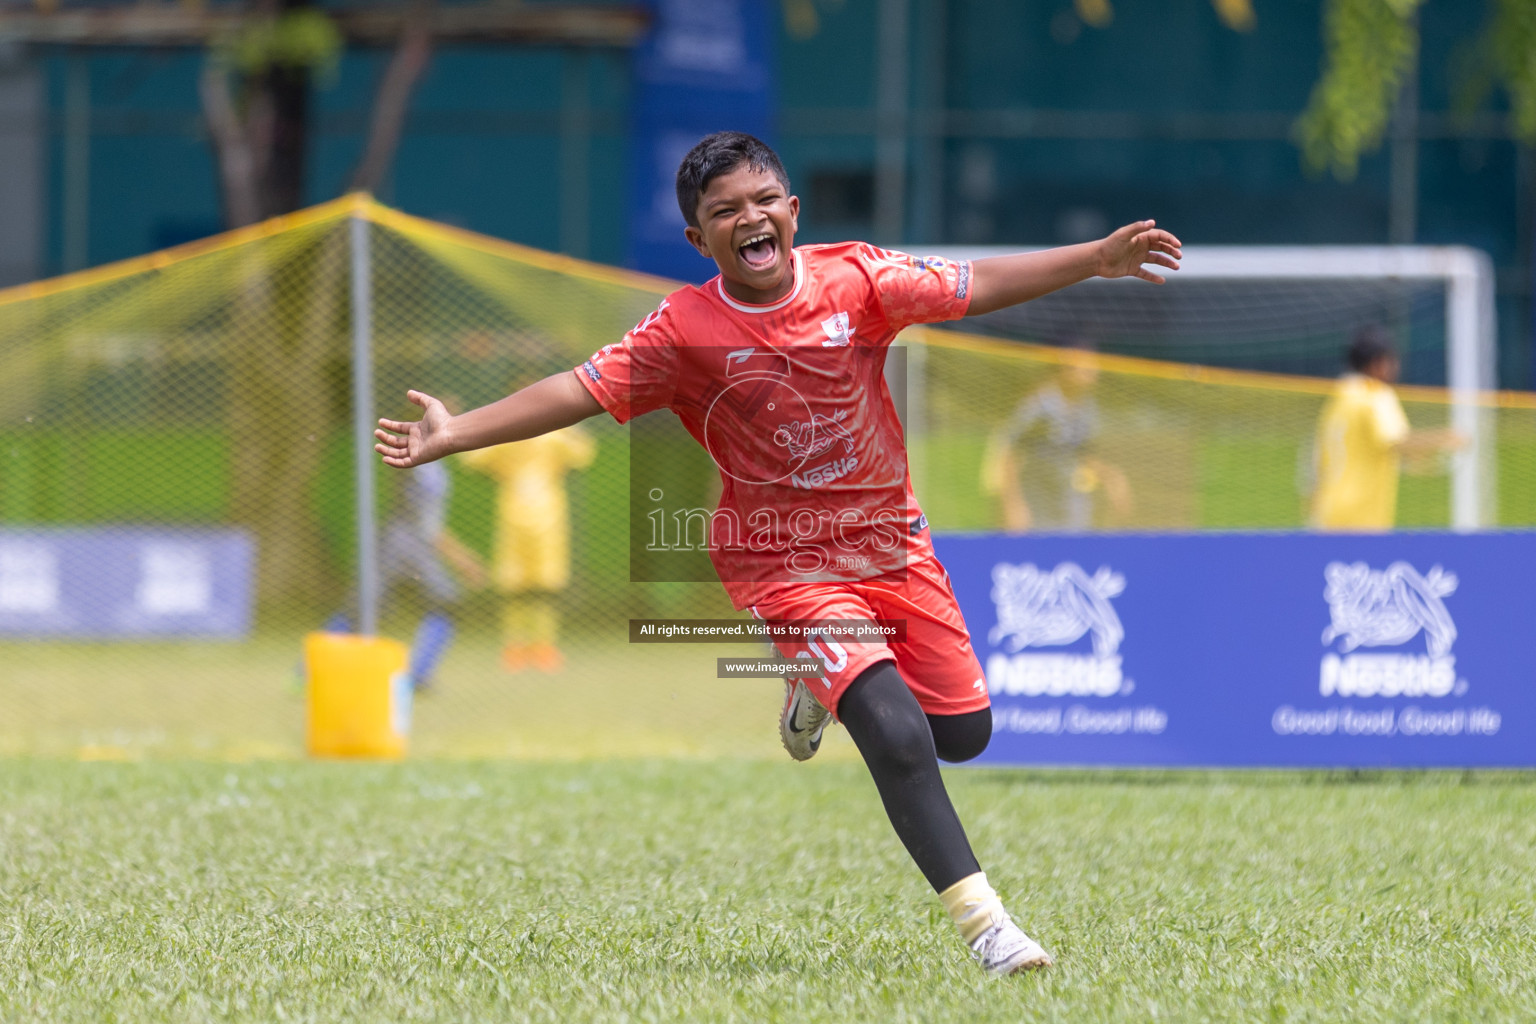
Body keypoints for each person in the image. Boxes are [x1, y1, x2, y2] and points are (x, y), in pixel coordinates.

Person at [374, 131, 1180, 975]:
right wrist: (456, 431)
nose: (748, 219)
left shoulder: (858, 279)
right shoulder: (683, 328)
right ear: (700, 239)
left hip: (890, 545)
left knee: (964, 734)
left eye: (762, 202)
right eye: (724, 211)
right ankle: (990, 929)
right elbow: (577, 389)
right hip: (781, 562)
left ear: (792, 213)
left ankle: (808, 690)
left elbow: (975, 285)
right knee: (896, 733)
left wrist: (1097, 257)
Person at [317, 456, 486, 690]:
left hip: (410, 545)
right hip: (402, 545)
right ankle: (308, 671)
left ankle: (418, 674)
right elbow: (425, 524)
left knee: (444, 605)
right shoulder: (420, 465)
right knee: (360, 608)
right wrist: (461, 559)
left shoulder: (434, 466)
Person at [459, 424, 594, 672]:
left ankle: (544, 645)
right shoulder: (508, 435)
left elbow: (582, 455)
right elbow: (473, 460)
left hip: (547, 518)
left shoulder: (550, 435)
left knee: (545, 585)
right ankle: (515, 646)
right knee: (514, 586)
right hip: (516, 516)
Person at [1311, 326, 1463, 531]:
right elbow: (1399, 441)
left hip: (1326, 510)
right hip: (1361, 515)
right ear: (1378, 363)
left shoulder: (1339, 395)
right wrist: (1447, 438)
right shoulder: (1376, 394)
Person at [981, 339, 1132, 532]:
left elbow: (1082, 454)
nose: (1094, 373)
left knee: (1073, 551)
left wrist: (1111, 477)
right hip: (1034, 496)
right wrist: (1014, 504)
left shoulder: (1087, 407)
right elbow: (1011, 453)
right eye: (1087, 368)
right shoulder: (1041, 405)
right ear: (1066, 369)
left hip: (1067, 498)